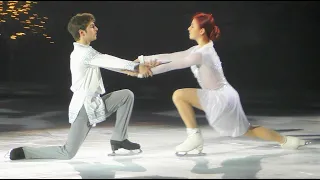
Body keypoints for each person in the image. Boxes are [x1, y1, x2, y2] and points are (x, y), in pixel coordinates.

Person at [125, 12, 308, 155]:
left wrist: (143, 71)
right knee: (248, 130)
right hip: (227, 95)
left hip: (219, 97)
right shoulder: (199, 49)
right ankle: (288, 141)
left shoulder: (201, 53)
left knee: (179, 95)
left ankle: (194, 137)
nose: (188, 28)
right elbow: (172, 57)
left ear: (202, 30)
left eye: (192, 26)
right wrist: (143, 59)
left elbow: (175, 64)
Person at [9, 13, 152, 160]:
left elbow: (109, 64)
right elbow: (109, 61)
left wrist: (137, 70)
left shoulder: (87, 52)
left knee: (126, 95)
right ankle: (24, 152)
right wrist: (136, 67)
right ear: (82, 32)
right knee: (67, 152)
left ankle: (119, 139)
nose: (96, 29)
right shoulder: (84, 54)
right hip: (83, 108)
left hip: (94, 103)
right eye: (92, 26)